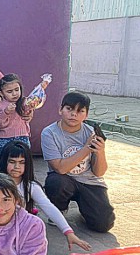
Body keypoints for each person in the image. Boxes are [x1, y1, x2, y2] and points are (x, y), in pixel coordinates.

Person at [0, 141, 91, 251]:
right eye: (12, 162)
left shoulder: (31, 187)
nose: (17, 166)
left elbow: (48, 207)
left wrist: (68, 232)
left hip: (17, 229)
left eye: (22, 162)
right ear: (4, 162)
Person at [41, 91, 115, 233]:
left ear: (86, 115)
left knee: (103, 224)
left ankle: (86, 209)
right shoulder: (49, 133)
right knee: (56, 181)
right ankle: (60, 208)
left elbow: (99, 172)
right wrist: (87, 148)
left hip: (89, 182)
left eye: (80, 111)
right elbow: (60, 168)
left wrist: (100, 151)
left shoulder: (91, 133)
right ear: (60, 110)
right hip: (64, 180)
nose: (73, 114)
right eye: (69, 109)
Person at [0, 74, 34, 151]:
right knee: (6, 160)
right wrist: (6, 112)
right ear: (1, 93)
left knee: (23, 159)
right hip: (5, 138)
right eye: (9, 91)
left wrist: (31, 108)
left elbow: (29, 112)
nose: (14, 94)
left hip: (23, 136)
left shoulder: (24, 102)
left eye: (17, 90)